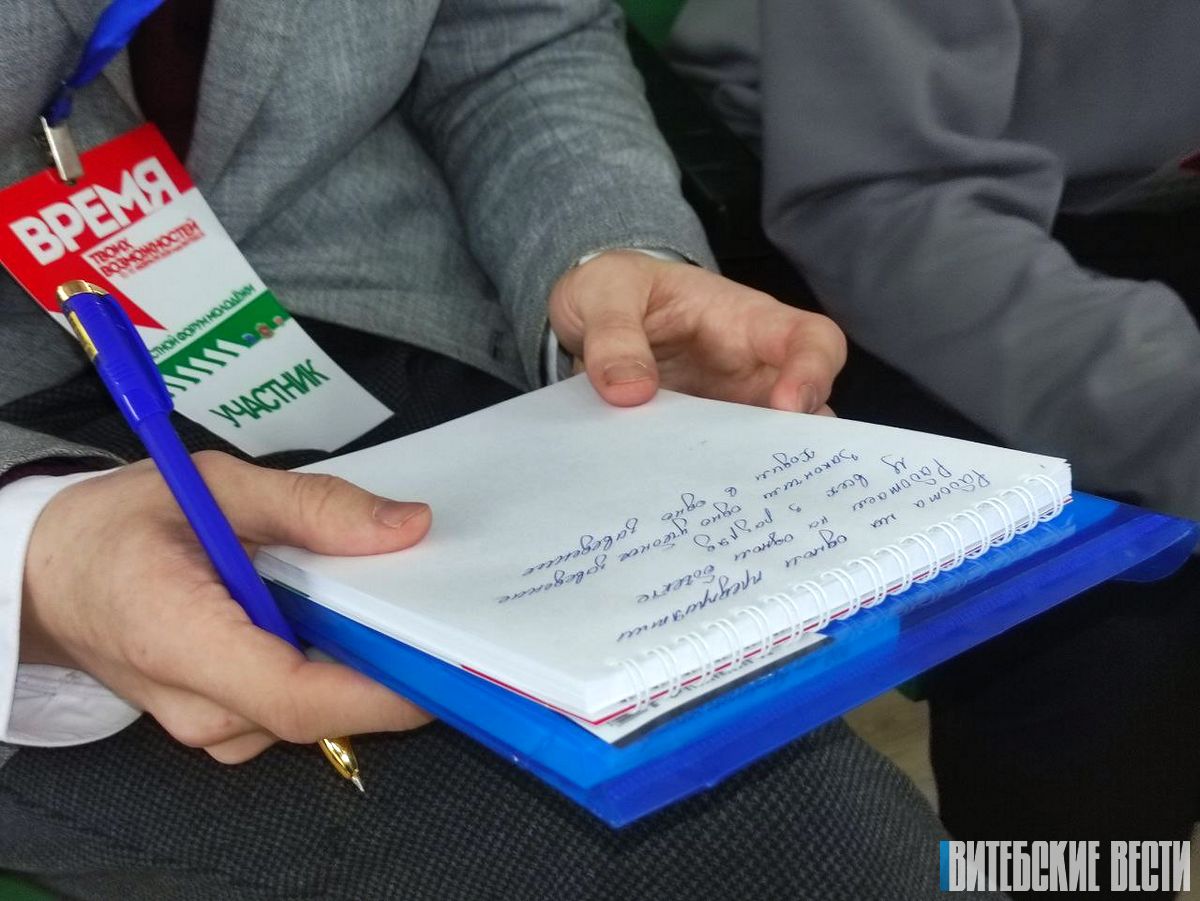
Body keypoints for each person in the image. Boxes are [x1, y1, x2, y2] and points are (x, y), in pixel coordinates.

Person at [0, 2, 996, 899]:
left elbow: (512, 37)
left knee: (786, 800)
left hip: (410, 341)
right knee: (792, 853)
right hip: (42, 461)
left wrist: (607, 254)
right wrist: (32, 562)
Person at [670, 0, 1200, 854]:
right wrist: (1169, 409)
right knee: (1099, 627)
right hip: (895, 215)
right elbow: (878, 207)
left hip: (1151, 185)